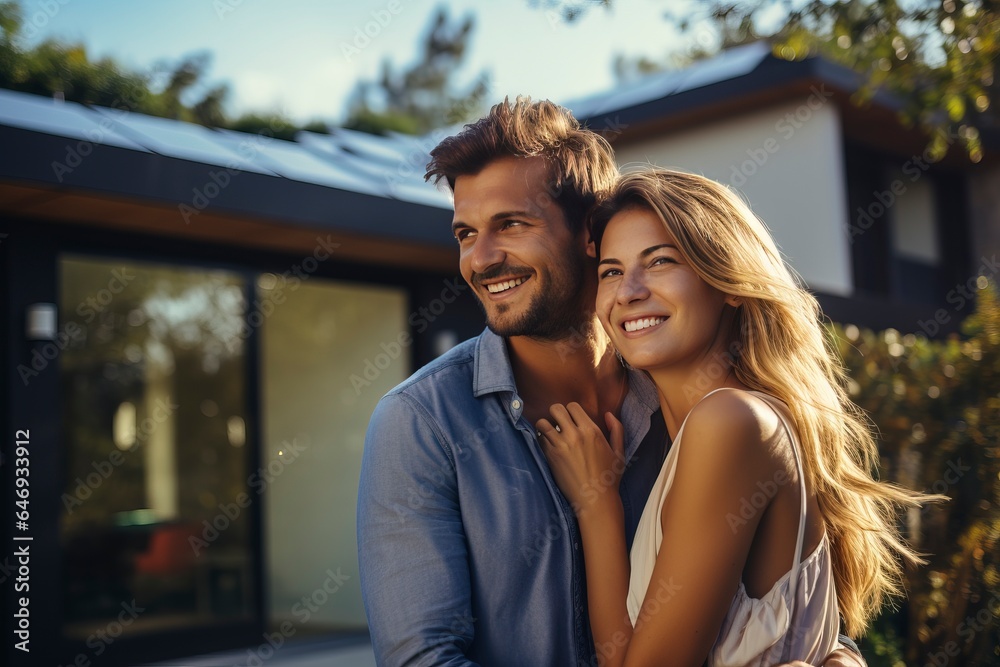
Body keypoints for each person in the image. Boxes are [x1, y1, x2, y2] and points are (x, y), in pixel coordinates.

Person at [357, 97, 867, 666]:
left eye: (511, 224)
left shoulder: (687, 401)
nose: (482, 259)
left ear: (588, 236)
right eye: (465, 234)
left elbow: (789, 615)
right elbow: (421, 662)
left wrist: (839, 658)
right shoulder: (423, 423)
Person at [538, 169, 935, 666]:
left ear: (727, 282)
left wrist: (597, 507)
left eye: (660, 261)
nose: (629, 291)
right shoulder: (709, 426)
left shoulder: (730, 421)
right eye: (611, 271)